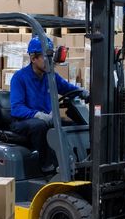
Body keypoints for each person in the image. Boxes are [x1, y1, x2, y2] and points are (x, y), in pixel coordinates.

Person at [10, 35, 89, 173]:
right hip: (23, 121)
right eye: (46, 57)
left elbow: (67, 88)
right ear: (33, 58)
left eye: (51, 56)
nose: (50, 61)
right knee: (39, 125)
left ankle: (77, 160)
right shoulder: (19, 78)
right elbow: (16, 108)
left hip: (46, 118)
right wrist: (38, 115)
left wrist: (82, 92)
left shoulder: (50, 76)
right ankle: (46, 166)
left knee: (72, 125)